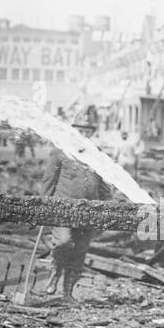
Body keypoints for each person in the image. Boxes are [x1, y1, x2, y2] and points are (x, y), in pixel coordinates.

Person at [44, 117, 111, 303]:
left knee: (80, 251)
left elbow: (105, 187)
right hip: (63, 209)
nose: (83, 133)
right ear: (72, 130)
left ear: (92, 132)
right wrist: (43, 207)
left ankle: (68, 293)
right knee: (64, 242)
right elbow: (48, 182)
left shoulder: (98, 155)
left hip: (89, 211)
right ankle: (56, 270)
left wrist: (106, 211)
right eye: (79, 129)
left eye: (87, 130)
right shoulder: (60, 152)